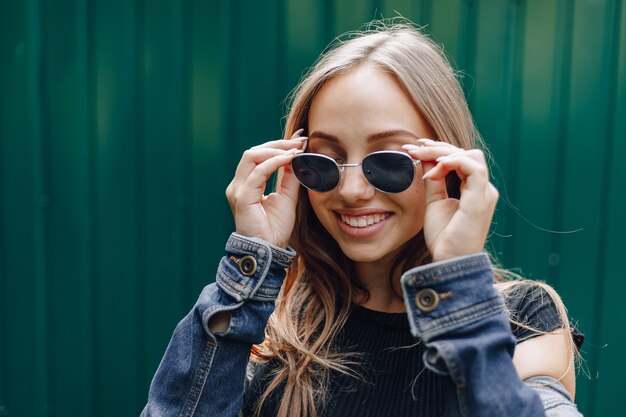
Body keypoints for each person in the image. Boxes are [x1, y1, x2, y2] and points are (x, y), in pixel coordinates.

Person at [142, 21, 584, 417]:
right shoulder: (270, 321)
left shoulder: (521, 319)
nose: (351, 191)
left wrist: (458, 280)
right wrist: (250, 268)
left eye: (387, 161)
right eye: (325, 161)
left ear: (444, 162)